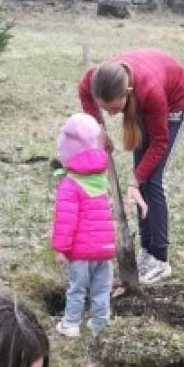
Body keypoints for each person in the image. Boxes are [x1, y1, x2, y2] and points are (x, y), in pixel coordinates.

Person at [79, 49, 184, 286]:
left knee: (151, 179)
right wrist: (99, 131)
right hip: (145, 100)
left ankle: (160, 260)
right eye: (104, 108)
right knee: (141, 178)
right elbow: (85, 94)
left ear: (127, 94)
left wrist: (134, 180)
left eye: (113, 109)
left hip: (173, 102)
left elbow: (160, 143)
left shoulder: (150, 92)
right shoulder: (94, 79)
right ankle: (147, 253)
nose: (110, 114)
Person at [50, 113, 115, 337]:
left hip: (80, 252)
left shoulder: (70, 184)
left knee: (77, 289)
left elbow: (66, 220)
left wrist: (61, 249)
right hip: (104, 249)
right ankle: (100, 323)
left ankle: (70, 324)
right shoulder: (101, 178)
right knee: (101, 288)